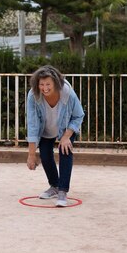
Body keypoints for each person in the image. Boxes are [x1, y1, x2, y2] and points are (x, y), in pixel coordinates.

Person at [26, 65, 85, 206]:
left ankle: (63, 191)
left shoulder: (68, 93)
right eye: (41, 84)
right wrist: (31, 154)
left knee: (65, 150)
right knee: (45, 155)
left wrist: (66, 136)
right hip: (45, 129)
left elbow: (78, 115)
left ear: (56, 83)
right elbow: (32, 125)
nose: (44, 88)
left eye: (48, 84)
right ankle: (54, 186)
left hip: (66, 129)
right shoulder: (33, 96)